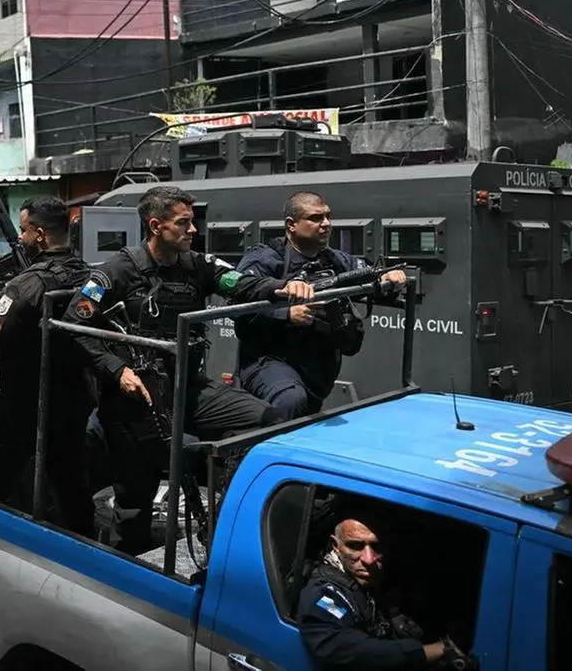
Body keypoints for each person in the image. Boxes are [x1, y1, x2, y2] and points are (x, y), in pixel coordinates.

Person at [60, 185, 314, 551]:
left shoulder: (196, 264)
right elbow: (74, 326)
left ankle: (227, 512)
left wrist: (283, 287)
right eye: (183, 223)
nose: (193, 230)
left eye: (192, 222)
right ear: (156, 225)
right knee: (134, 507)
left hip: (187, 387)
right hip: (134, 402)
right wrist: (118, 371)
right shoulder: (116, 272)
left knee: (269, 419)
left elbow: (240, 283)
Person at [0, 196, 96, 537]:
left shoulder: (26, 285)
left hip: (24, 406)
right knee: (71, 487)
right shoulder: (91, 276)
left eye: (23, 231)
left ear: (39, 233)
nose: (20, 238)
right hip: (73, 402)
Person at [235, 191, 408, 421]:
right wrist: (287, 314)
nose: (326, 224)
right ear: (291, 225)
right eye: (316, 218)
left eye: (328, 216)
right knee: (290, 401)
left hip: (316, 369)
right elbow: (239, 307)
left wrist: (390, 278)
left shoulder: (335, 260)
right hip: (268, 362)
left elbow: (369, 277)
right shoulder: (266, 259)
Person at [298, 508, 471, 670]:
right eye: (355, 546)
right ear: (335, 545)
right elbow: (343, 646)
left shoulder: (382, 573)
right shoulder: (324, 596)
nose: (368, 559)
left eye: (377, 546)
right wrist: (430, 651)